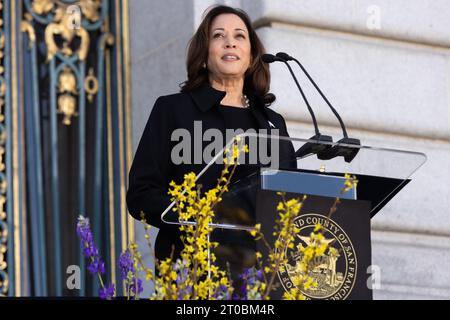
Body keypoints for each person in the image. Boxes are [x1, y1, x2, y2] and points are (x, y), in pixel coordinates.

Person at [126, 5, 296, 265]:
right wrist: (196, 218)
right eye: (219, 36)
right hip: (191, 264)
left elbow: (291, 198)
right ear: (204, 55)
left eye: (240, 36)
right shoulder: (173, 110)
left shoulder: (273, 124)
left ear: (251, 56)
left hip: (264, 270)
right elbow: (141, 193)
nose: (230, 43)